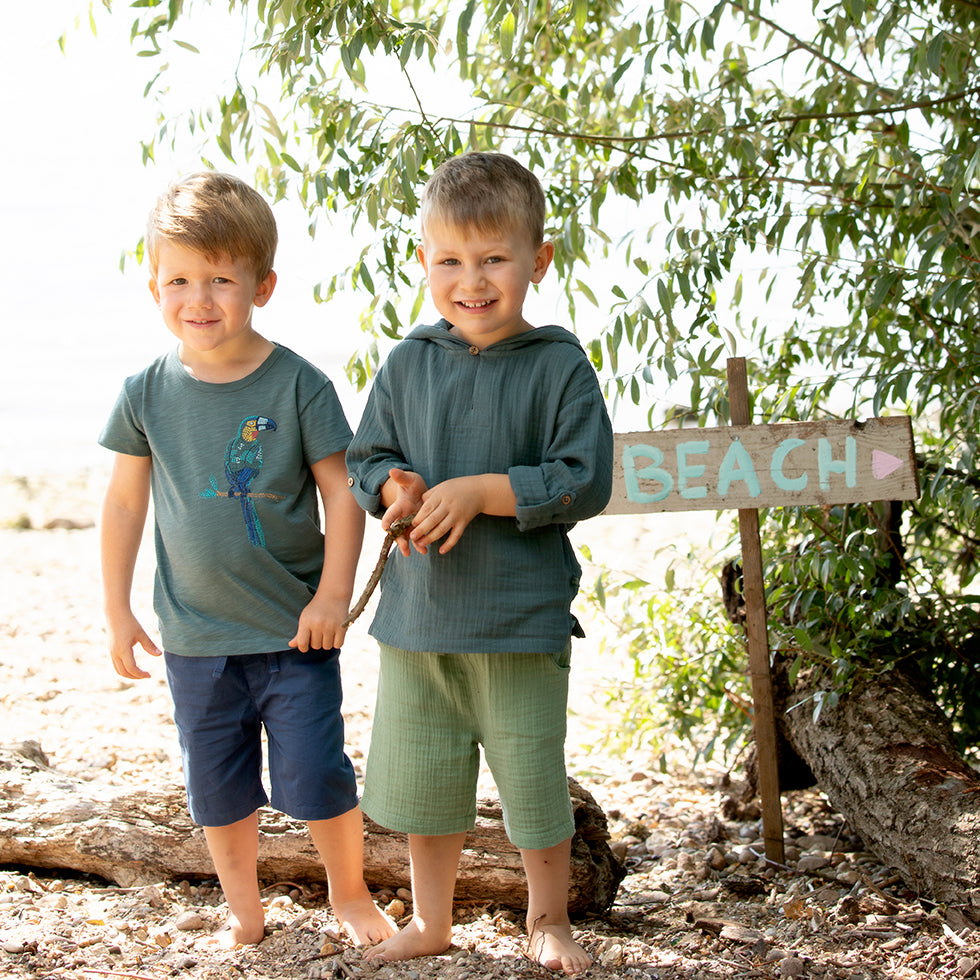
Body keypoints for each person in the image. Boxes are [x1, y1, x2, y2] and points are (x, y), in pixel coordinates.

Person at [99, 171, 394, 949]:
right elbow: (124, 504)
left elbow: (342, 493)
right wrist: (117, 610)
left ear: (262, 286)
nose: (199, 299)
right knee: (217, 784)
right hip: (195, 638)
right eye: (179, 280)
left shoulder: (299, 384)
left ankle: (350, 894)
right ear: (154, 286)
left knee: (317, 773)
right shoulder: (144, 392)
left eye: (221, 280)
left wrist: (332, 596)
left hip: (293, 630)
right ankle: (245, 909)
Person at [345, 151, 614, 975]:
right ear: (423, 261)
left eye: (494, 258)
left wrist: (481, 491)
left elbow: (585, 478)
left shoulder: (558, 364)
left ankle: (549, 917)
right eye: (450, 261)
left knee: (532, 780)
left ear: (539, 259)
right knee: (426, 783)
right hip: (419, 618)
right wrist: (395, 487)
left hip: (518, 619)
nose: (472, 280)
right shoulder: (407, 362)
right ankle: (432, 920)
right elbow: (367, 458)